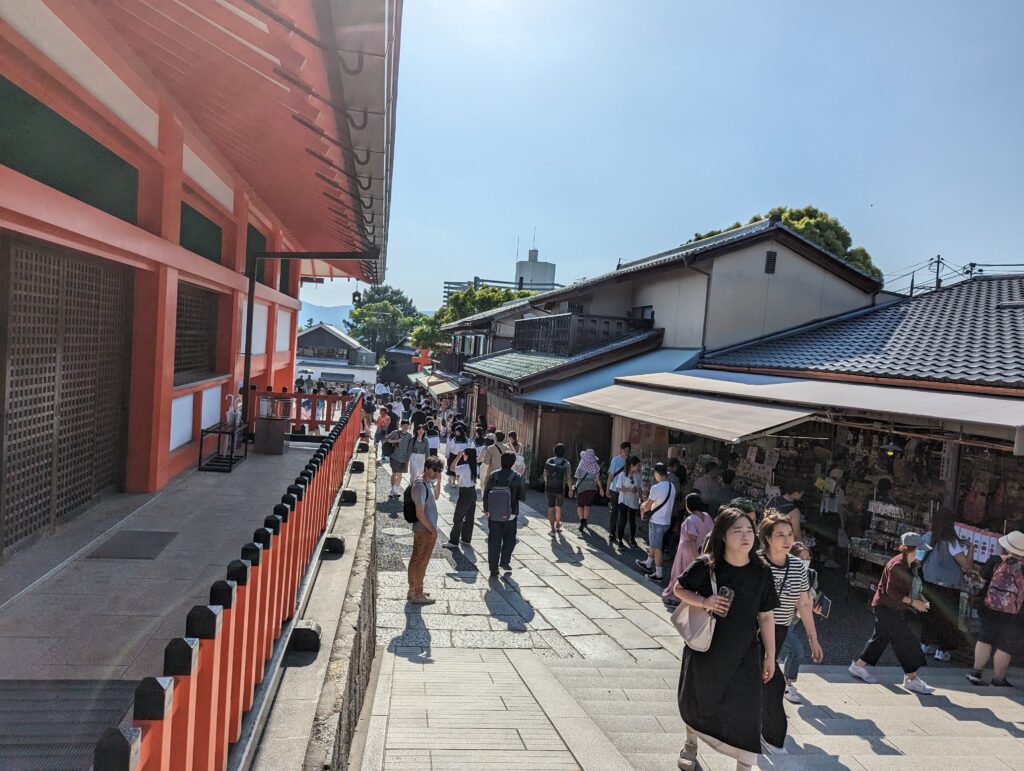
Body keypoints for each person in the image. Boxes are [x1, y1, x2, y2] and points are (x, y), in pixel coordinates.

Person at [674, 507, 779, 771]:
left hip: (745, 653)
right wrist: (704, 601)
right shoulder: (708, 564)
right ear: (722, 535)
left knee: (748, 714)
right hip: (707, 649)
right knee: (698, 702)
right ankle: (690, 743)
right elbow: (679, 588)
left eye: (749, 531)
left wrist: (770, 656)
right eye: (737, 531)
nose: (746, 536)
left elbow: (766, 617)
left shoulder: (761, 572)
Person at [758, 514, 823, 753]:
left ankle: (760, 729)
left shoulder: (797, 566)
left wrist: (812, 639)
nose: (787, 540)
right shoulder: (755, 562)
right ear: (767, 538)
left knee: (765, 676)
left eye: (790, 534)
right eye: (780, 535)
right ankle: (769, 733)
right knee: (770, 680)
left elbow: (803, 603)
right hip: (751, 629)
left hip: (781, 629)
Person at [850, 532, 936, 694]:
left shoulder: (910, 563)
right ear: (911, 549)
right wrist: (914, 602)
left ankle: (858, 666)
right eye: (920, 549)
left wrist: (921, 599)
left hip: (890, 607)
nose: (922, 552)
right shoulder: (897, 565)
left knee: (880, 638)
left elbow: (912, 587)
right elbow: (892, 592)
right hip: (887, 607)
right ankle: (912, 678)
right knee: (905, 640)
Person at [967, 530, 1024, 687]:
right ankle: (998, 678)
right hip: (1015, 612)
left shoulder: (995, 560)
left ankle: (976, 672)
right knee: (1006, 644)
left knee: (985, 638)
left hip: (990, 607)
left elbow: (982, 577)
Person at [920, 508, 973, 661]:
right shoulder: (952, 542)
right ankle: (942, 650)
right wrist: (971, 549)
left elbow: (918, 557)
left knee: (929, 615)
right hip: (948, 586)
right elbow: (966, 565)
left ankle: (925, 643)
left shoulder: (928, 536)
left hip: (929, 582)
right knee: (947, 619)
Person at [779, 542, 824, 704]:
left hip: (794, 619)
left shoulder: (811, 574)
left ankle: (781, 682)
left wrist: (815, 608)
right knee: (795, 650)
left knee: (779, 651)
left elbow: (807, 600)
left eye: (808, 557)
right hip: (777, 619)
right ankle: (787, 685)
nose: (805, 560)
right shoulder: (782, 571)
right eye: (801, 557)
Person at [663, 493, 713, 606]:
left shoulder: (690, 520)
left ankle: (676, 597)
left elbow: (692, 539)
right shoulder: (707, 516)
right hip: (703, 550)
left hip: (688, 550)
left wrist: (696, 557)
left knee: (681, 573)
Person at [482, 451, 526, 577]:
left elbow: (486, 493)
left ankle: (493, 568)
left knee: (494, 540)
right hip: (511, 513)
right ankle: (505, 561)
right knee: (510, 539)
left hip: (495, 513)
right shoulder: (517, 477)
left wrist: (486, 508)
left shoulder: (493, 475)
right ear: (513, 463)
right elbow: (522, 497)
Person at [407, 456, 444, 604]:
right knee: (421, 561)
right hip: (424, 530)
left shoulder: (427, 483)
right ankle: (418, 593)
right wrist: (432, 530)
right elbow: (419, 513)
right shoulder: (420, 485)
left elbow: (435, 496)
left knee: (416, 559)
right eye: (434, 470)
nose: (436, 473)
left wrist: (439, 481)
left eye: (439, 471)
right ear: (427, 468)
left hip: (424, 529)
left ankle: (413, 589)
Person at [636, 462, 676, 582]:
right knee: (654, 543)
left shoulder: (656, 488)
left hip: (657, 521)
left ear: (657, 474)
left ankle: (658, 574)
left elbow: (648, 506)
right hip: (667, 521)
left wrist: (642, 506)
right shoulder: (671, 486)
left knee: (657, 547)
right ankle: (648, 563)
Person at [444, 446, 478, 548]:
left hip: (465, 493)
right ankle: (466, 539)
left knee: (458, 518)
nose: (463, 455)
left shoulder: (465, 467)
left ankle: (453, 541)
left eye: (464, 454)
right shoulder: (476, 466)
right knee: (469, 517)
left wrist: (458, 457)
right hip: (472, 491)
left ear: (467, 455)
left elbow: (451, 468)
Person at [609, 456, 641, 549]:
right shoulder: (622, 475)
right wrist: (629, 490)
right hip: (623, 500)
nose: (638, 467)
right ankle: (620, 540)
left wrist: (642, 495)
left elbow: (639, 487)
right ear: (631, 465)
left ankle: (632, 538)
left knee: (632, 520)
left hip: (634, 500)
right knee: (622, 520)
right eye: (637, 465)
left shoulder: (637, 474)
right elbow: (618, 488)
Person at [543, 444, 573, 536]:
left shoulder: (549, 461)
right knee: (558, 508)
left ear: (554, 451)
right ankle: (557, 524)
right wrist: (570, 489)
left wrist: (547, 482)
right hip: (560, 488)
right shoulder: (566, 463)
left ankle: (552, 530)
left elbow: (545, 474)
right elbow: (568, 478)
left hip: (549, 488)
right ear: (564, 453)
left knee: (550, 508)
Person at [574, 449, 604, 534]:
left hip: (582, 486)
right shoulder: (596, 466)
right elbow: (598, 480)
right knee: (587, 505)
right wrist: (601, 489)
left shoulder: (582, 463)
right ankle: (585, 520)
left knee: (580, 505)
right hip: (592, 487)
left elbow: (577, 475)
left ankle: (582, 521)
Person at [384, 420, 414, 499]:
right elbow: (386, 439)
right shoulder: (395, 432)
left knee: (400, 474)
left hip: (404, 458)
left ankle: (396, 490)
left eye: (407, 425)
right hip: (395, 456)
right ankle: (392, 489)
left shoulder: (409, 436)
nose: (406, 427)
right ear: (401, 425)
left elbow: (410, 447)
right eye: (404, 425)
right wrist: (396, 440)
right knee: (394, 473)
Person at [606, 442, 632, 523]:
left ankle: (620, 531)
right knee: (614, 511)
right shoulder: (615, 460)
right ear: (621, 450)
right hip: (615, 489)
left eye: (628, 451)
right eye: (625, 451)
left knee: (623, 512)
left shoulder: (631, 461)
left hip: (626, 491)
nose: (627, 453)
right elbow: (611, 476)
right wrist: (607, 489)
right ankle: (612, 532)